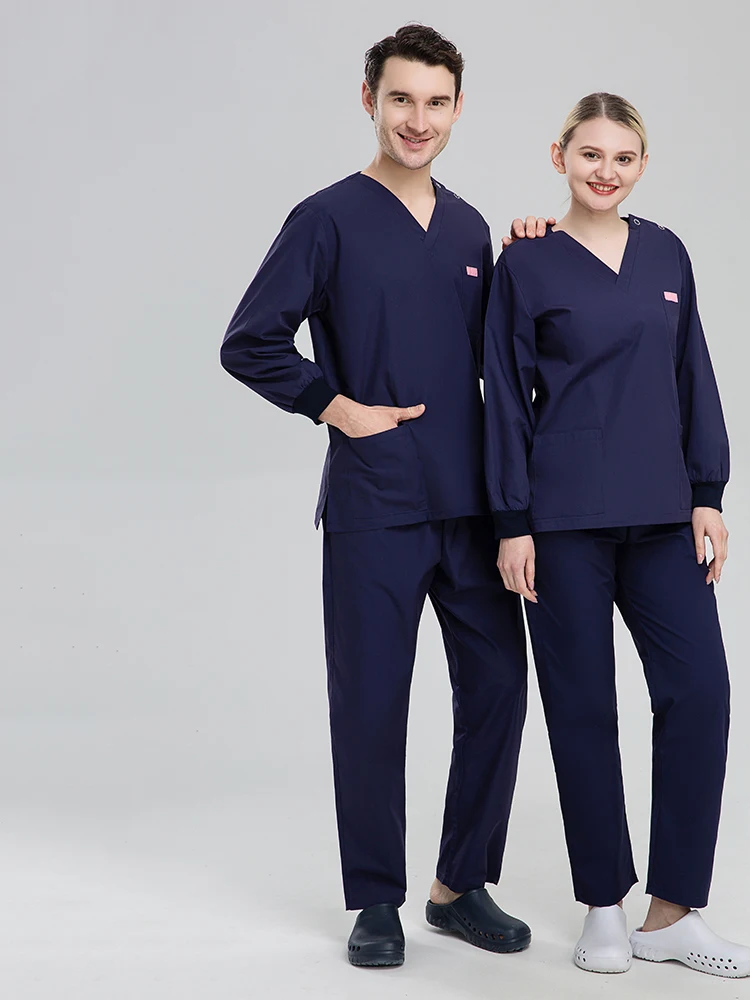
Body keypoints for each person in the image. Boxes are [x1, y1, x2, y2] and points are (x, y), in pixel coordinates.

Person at [220, 25, 548, 968]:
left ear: (458, 110)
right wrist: (335, 407)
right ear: (370, 100)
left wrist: (535, 254)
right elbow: (250, 340)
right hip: (375, 503)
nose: (418, 119)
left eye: (436, 102)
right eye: (401, 98)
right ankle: (376, 899)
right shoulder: (327, 218)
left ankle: (459, 885)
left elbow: (503, 355)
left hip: (473, 505)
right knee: (370, 701)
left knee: (498, 687)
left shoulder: (471, 229)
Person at [484, 93, 750, 977]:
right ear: (559, 156)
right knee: (582, 707)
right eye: (591, 154)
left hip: (663, 513)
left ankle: (672, 913)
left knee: (700, 691)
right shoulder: (525, 264)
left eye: (624, 157)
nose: (606, 171)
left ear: (642, 165)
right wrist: (512, 521)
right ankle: (602, 905)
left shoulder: (668, 252)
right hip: (561, 522)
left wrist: (708, 492)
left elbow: (693, 372)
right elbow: (503, 396)